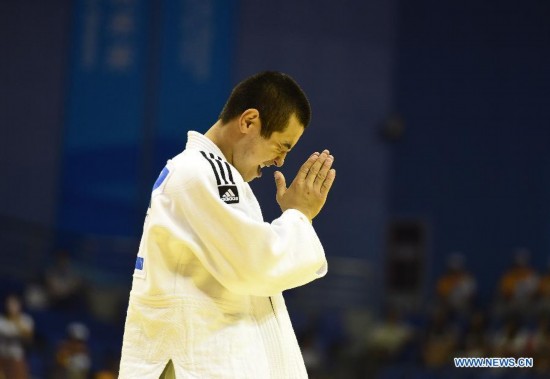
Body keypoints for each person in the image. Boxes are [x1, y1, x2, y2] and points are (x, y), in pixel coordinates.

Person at [119, 71, 336, 378]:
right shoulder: (201, 171)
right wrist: (298, 216)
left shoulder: (210, 175)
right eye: (281, 147)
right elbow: (255, 265)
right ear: (248, 122)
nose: (280, 162)